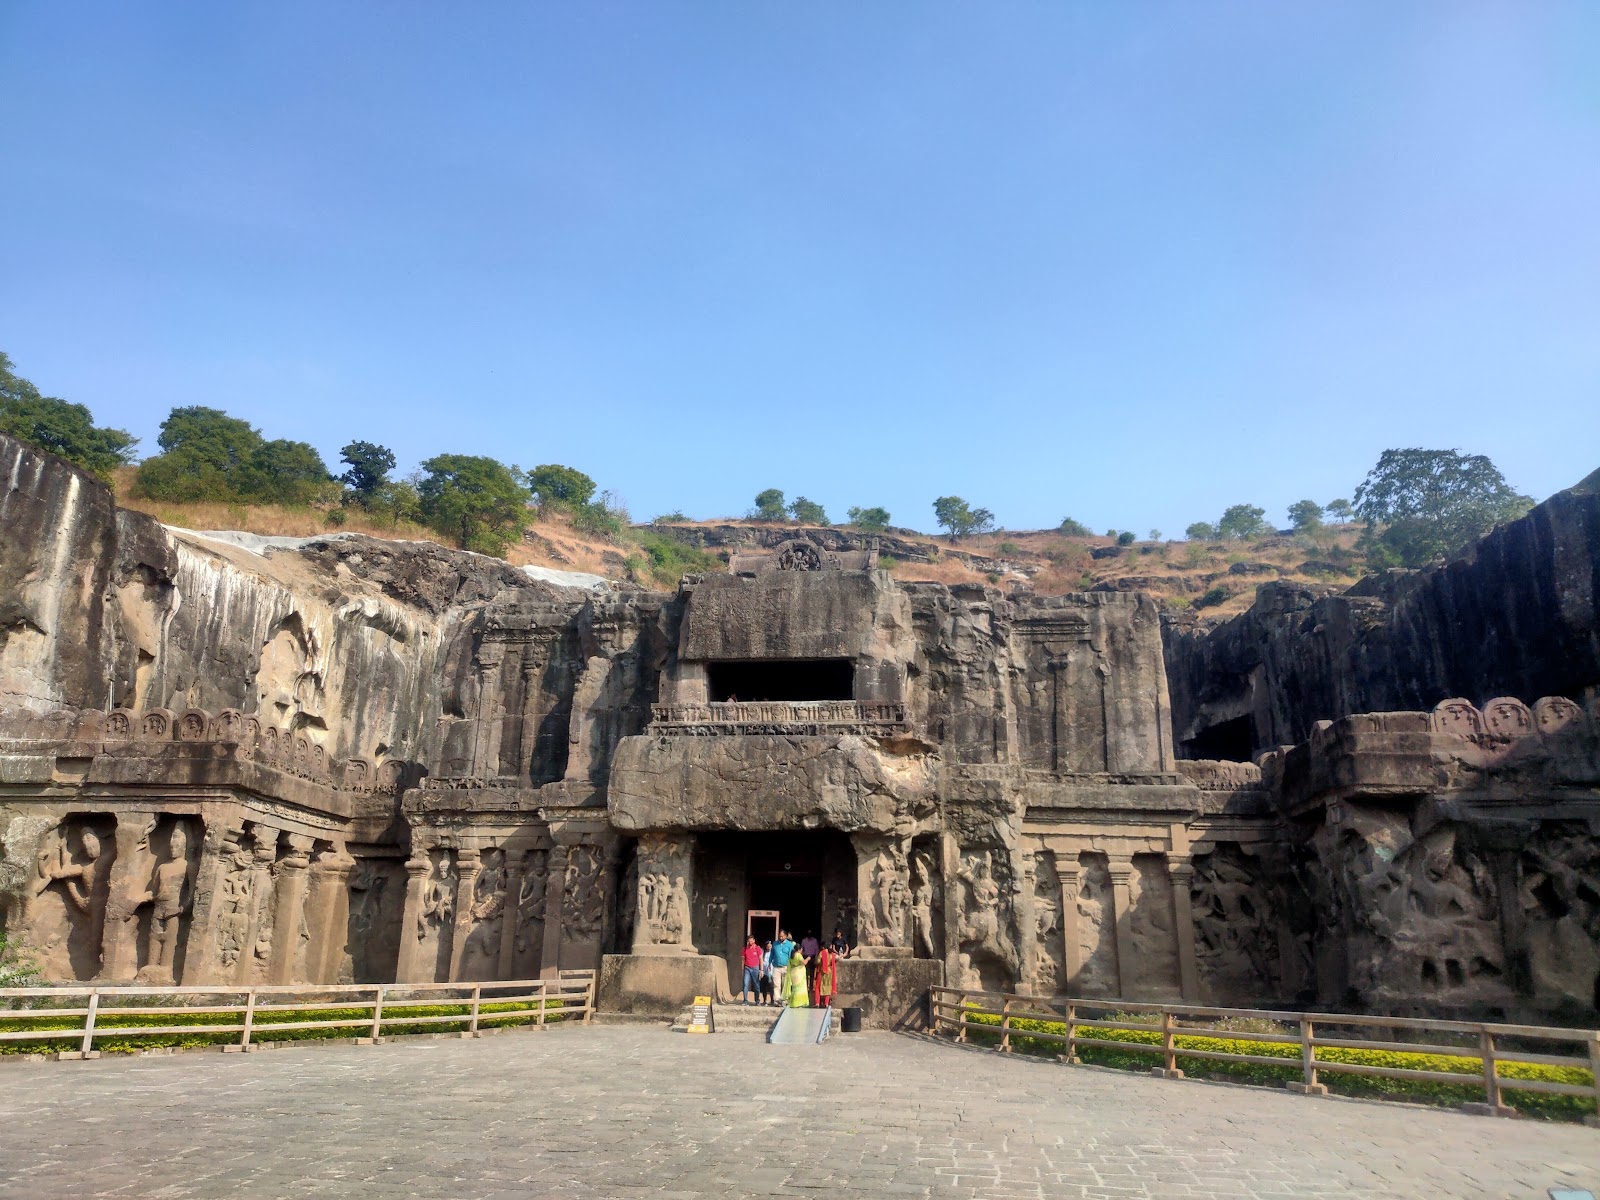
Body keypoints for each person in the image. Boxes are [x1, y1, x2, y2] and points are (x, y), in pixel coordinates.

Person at [770, 929, 795, 1002]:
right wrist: (769, 963)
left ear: (786, 936)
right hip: (776, 967)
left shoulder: (789, 945)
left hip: (786, 967)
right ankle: (777, 1000)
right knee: (776, 984)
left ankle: (784, 1000)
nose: (780, 938)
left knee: (785, 984)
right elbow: (772, 955)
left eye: (782, 936)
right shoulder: (775, 944)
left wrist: (791, 967)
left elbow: (791, 956)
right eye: (779, 936)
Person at [740, 935, 762, 1005]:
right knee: (745, 984)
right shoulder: (745, 949)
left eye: (751, 941)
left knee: (756, 985)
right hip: (747, 968)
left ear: (754, 940)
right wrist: (742, 969)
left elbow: (761, 959)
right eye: (749, 941)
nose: (750, 942)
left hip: (755, 968)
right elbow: (743, 959)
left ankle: (757, 1000)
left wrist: (761, 970)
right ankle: (745, 1001)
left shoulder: (757, 948)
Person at [800, 930, 820, 996]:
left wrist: (816, 958)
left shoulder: (815, 941)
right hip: (805, 958)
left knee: (812, 974)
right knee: (805, 973)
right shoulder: (804, 941)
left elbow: (816, 950)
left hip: (812, 957)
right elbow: (802, 950)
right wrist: (802, 958)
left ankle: (811, 987)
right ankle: (805, 987)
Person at [759, 940, 775, 1006]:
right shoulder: (763, 952)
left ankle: (772, 1000)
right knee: (764, 987)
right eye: (768, 946)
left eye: (770, 946)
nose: (769, 948)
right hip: (764, 972)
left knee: (771, 987)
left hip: (771, 972)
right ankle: (764, 1000)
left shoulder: (773, 952)